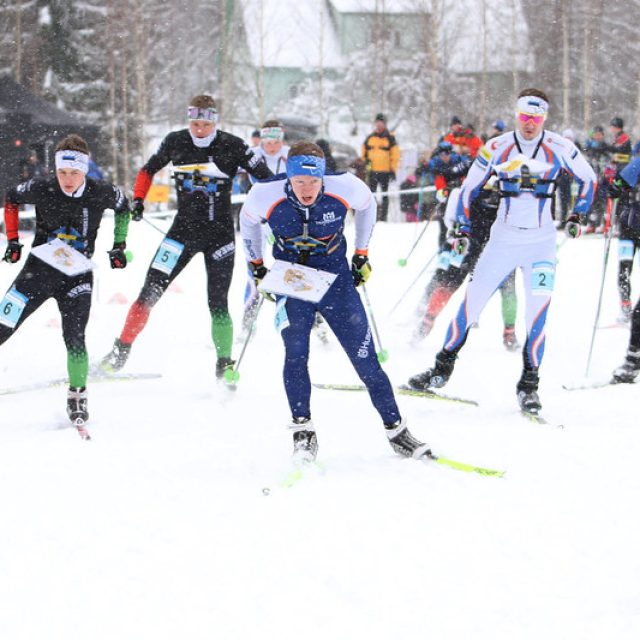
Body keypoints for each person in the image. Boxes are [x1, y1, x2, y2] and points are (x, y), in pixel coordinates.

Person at [406, 89, 597, 415]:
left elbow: (590, 180)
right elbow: (468, 189)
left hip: (541, 244)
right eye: (524, 116)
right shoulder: (497, 147)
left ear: (544, 118)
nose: (529, 123)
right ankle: (440, 370)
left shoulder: (560, 147)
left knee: (537, 315)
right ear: (517, 114)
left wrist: (578, 215)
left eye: (536, 118)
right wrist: (463, 228)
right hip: (502, 242)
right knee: (470, 306)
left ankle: (529, 386)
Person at [239, 141, 429, 462]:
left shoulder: (345, 186)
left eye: (314, 182)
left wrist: (362, 251)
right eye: (300, 182)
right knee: (296, 352)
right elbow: (248, 222)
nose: (307, 189)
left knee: (365, 359)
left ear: (324, 176)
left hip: (335, 278)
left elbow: (368, 206)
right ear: (289, 176)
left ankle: (397, 430)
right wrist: (256, 264)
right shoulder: (264, 193)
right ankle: (303, 432)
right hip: (292, 279)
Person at [100, 95, 272, 380]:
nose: (199, 129)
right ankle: (119, 352)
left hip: (220, 237)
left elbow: (266, 179)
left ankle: (224, 364)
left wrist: (272, 210)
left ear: (214, 121)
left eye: (205, 123)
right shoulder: (175, 141)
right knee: (149, 292)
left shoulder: (233, 144)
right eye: (194, 123)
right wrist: (139, 199)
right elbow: (148, 169)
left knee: (217, 302)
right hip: (182, 232)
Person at [1, 134, 130, 433]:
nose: (67, 179)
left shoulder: (101, 192)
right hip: (38, 271)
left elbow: (124, 207)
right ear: (55, 170)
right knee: (3, 323)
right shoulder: (43, 186)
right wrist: (13, 240)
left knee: (75, 338)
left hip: (77, 276)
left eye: (74, 173)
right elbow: (11, 197)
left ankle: (77, 396)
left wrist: (119, 245)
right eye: (62, 172)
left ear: (85, 170)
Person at [239, 119, 290, 340]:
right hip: (257, 219)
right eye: (267, 141)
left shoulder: (290, 154)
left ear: (281, 139)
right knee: (254, 269)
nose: (271, 146)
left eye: (276, 141)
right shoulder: (251, 154)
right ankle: (248, 322)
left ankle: (310, 320)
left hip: (283, 219)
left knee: (293, 267)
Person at [608, 157, 640, 324]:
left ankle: (631, 311)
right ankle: (626, 308)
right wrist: (614, 188)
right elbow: (616, 186)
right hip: (628, 227)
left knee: (624, 269)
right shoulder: (636, 164)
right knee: (625, 269)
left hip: (628, 225)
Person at [361, 113, 399, 222]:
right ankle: (372, 216)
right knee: (371, 195)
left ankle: (384, 218)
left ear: (385, 124)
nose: (379, 125)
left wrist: (393, 170)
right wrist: (365, 161)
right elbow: (364, 151)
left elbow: (395, 155)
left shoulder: (390, 138)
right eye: (377, 122)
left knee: (384, 194)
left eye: (381, 122)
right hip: (372, 171)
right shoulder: (370, 138)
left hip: (385, 171)